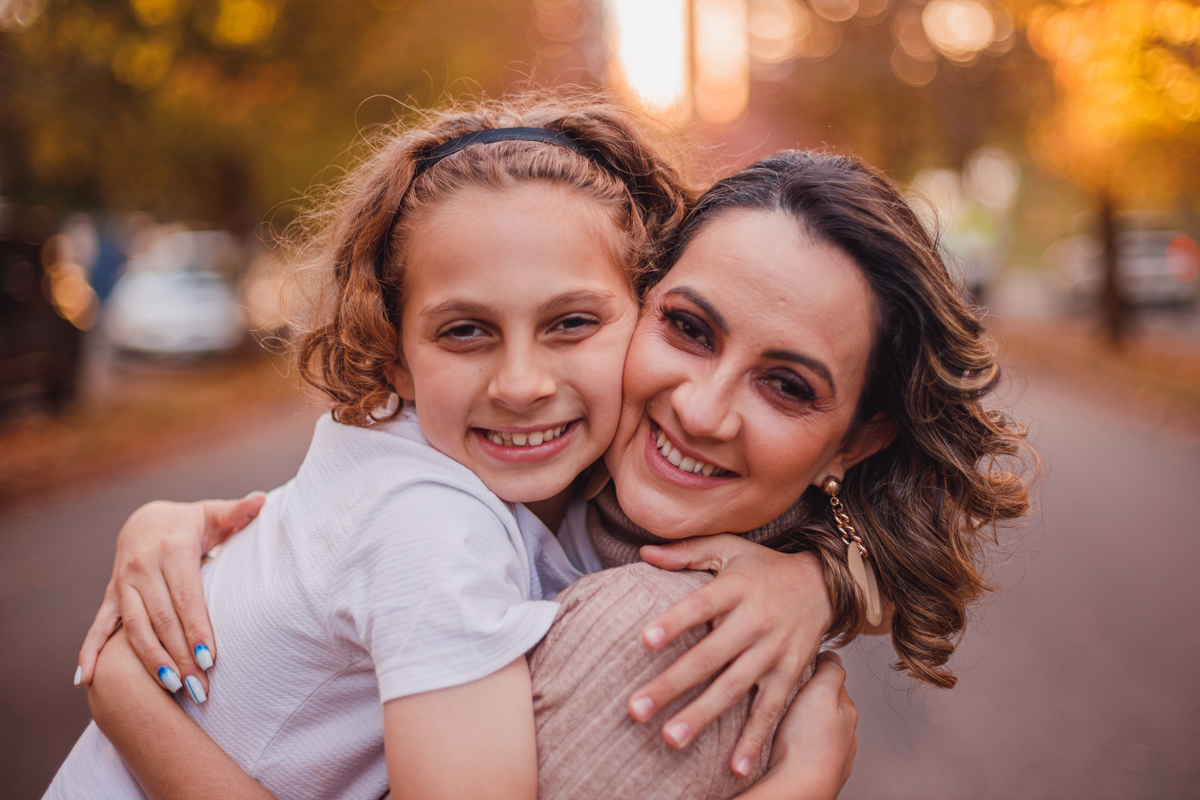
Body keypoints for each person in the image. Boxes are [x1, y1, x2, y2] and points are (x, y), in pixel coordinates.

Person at [72, 144, 1031, 798]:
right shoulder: (473, 509)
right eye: (689, 329)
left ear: (858, 440)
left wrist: (819, 580)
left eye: (787, 386)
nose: (700, 409)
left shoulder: (675, 616)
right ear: (641, 301)